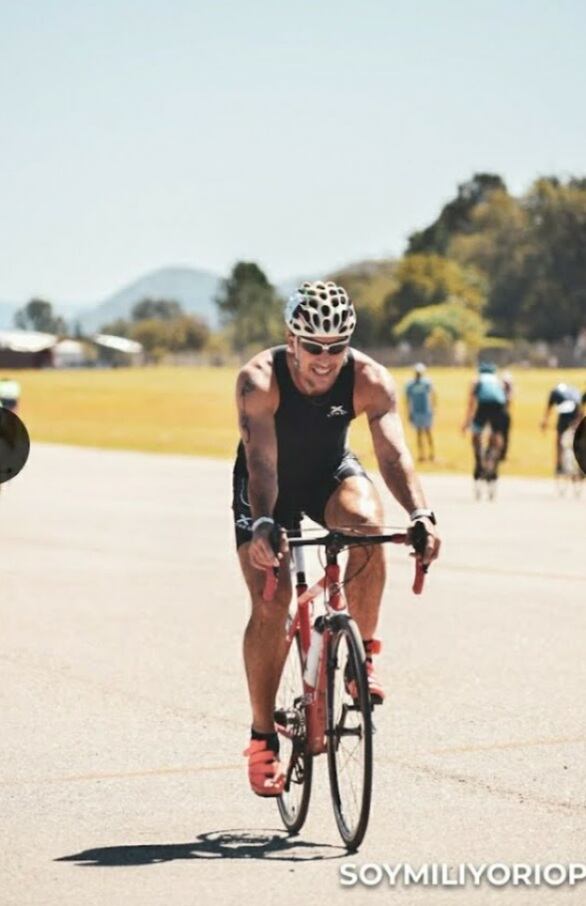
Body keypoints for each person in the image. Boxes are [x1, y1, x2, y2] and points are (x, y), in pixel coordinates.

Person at [233, 280, 441, 797]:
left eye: (337, 347)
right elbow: (261, 462)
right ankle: (262, 737)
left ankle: (359, 659)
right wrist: (264, 524)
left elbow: (392, 453)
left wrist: (420, 513)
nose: (326, 360)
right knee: (273, 601)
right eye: (313, 347)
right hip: (268, 486)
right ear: (291, 338)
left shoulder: (369, 378)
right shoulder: (259, 379)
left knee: (368, 530)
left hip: (329, 473)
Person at [461, 362, 507, 481]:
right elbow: (505, 399)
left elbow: (471, 405)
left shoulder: (477, 380)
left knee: (476, 433)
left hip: (483, 406)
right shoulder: (498, 381)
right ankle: (494, 459)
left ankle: (478, 462)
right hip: (499, 407)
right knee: (497, 435)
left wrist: (466, 423)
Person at [540, 382, 582, 474]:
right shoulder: (574, 390)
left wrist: (544, 423)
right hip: (577, 414)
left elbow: (548, 409)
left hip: (565, 416)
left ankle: (559, 466)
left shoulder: (554, 392)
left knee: (559, 440)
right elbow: (580, 408)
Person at [405, 363, 436, 462]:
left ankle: (432, 454)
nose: (418, 374)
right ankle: (421, 455)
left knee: (428, 433)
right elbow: (407, 400)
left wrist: (433, 408)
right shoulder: (410, 385)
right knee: (418, 434)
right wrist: (409, 412)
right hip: (416, 412)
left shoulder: (426, 383)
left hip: (426, 411)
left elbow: (433, 394)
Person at [500, 370, 514, 461]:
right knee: (502, 435)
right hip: (503, 414)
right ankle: (501, 453)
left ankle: (503, 454)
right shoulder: (507, 391)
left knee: (504, 435)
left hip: (503, 414)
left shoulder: (507, 392)